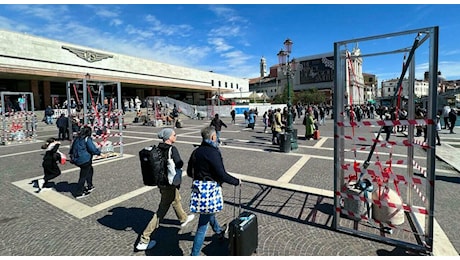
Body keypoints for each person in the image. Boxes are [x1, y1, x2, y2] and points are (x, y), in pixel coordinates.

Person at [136, 128, 195, 251]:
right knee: (161, 211)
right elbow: (179, 163)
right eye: (174, 135)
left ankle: (183, 218)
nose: (176, 136)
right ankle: (144, 239)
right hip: (169, 182)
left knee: (176, 198)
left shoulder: (157, 148)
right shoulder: (172, 149)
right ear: (169, 137)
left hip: (161, 182)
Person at [189, 126, 240, 256]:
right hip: (209, 190)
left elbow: (190, 172)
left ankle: (218, 231)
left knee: (208, 212)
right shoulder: (213, 152)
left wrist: (201, 176)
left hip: (199, 189)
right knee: (202, 227)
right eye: (216, 136)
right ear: (212, 137)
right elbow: (222, 174)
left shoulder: (196, 152)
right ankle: (194, 255)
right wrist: (236, 181)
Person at [69, 126, 103, 199]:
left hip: (77, 158)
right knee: (83, 176)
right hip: (84, 160)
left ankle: (90, 185)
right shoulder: (87, 138)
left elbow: (72, 149)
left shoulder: (77, 138)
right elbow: (92, 149)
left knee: (90, 170)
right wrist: (99, 152)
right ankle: (79, 192)